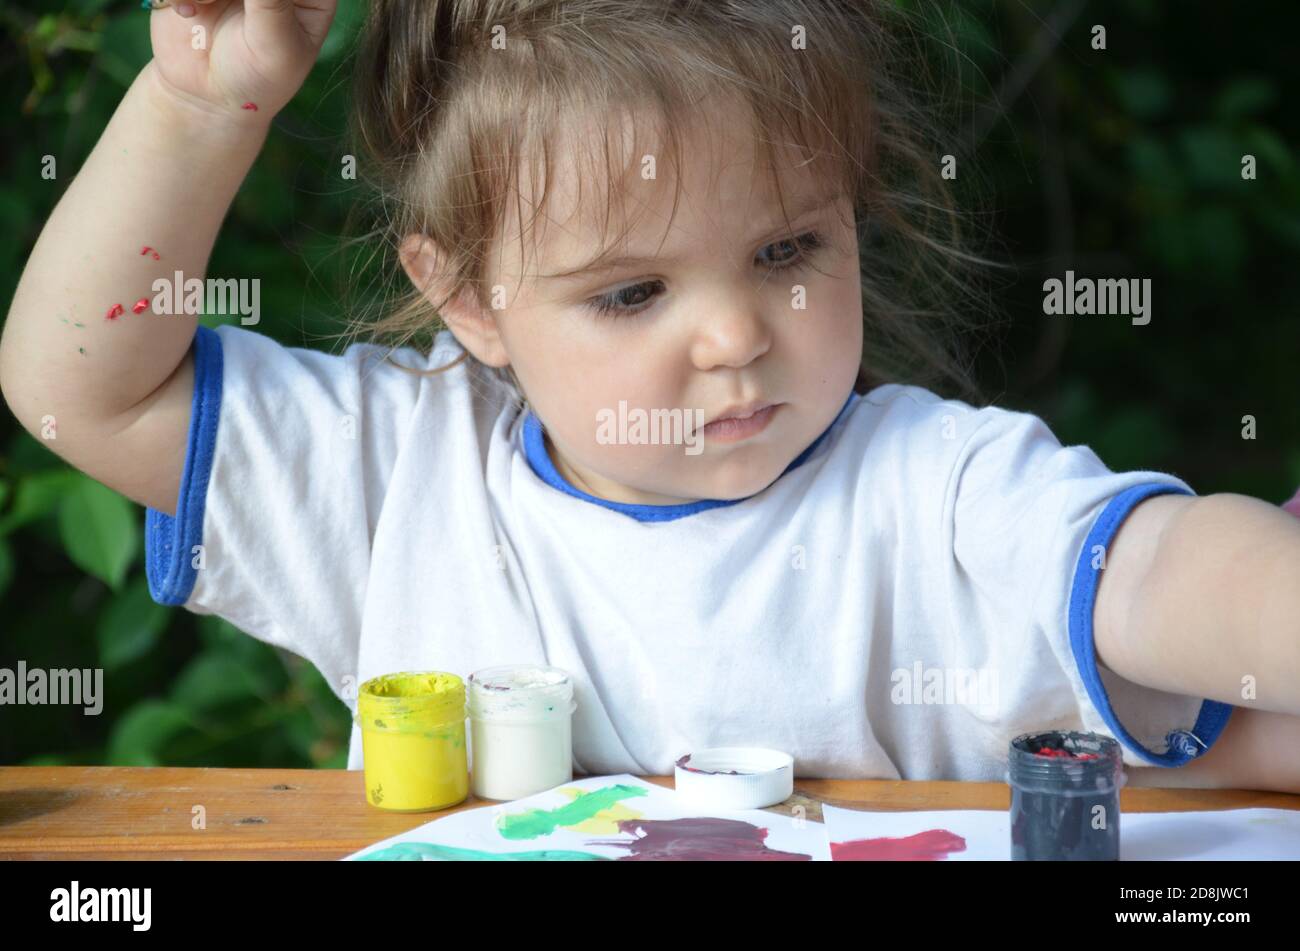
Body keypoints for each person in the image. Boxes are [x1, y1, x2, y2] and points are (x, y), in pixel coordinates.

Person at [3, 0, 1298, 791]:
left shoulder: (940, 491)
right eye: (631, 294)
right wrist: (195, 104)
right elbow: (78, 394)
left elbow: (1161, 572)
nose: (736, 335)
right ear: (469, 302)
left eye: (788, 251)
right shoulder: (395, 476)